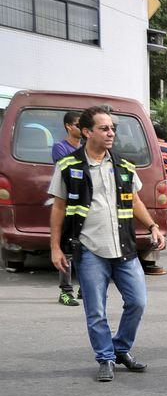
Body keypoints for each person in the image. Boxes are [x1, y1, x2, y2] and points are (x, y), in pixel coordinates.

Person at [48, 105, 166, 382]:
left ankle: (120, 348)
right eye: (104, 128)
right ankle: (105, 358)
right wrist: (55, 247)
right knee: (96, 309)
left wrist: (152, 226)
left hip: (124, 248)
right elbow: (58, 207)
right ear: (87, 131)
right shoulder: (68, 166)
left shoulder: (124, 166)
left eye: (113, 128)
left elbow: (135, 201)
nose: (111, 132)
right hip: (90, 250)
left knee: (137, 301)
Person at [51, 111, 82, 306]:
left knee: (84, 249)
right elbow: (70, 172)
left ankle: (83, 290)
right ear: (69, 126)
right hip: (67, 204)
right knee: (66, 250)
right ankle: (65, 291)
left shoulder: (87, 147)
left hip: (83, 206)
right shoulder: (59, 148)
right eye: (79, 124)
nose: (82, 127)